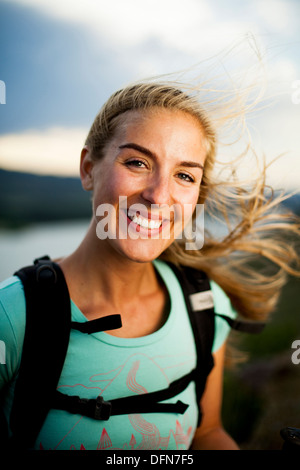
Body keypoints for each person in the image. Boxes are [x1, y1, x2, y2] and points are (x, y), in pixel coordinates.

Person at [0, 81, 299, 451]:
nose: (158, 196)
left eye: (184, 175)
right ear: (89, 168)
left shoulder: (204, 305)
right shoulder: (12, 317)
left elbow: (206, 434)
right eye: (137, 163)